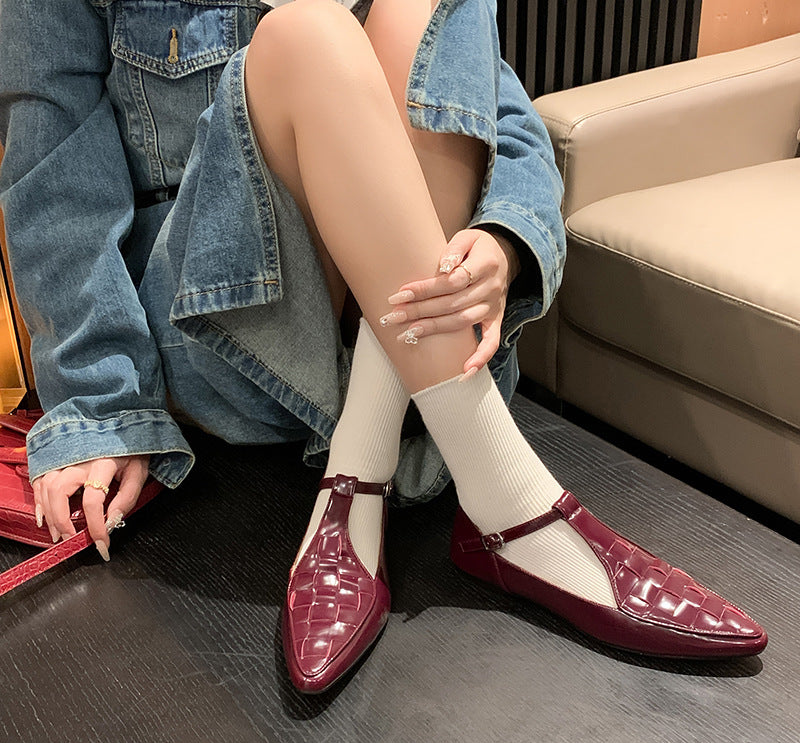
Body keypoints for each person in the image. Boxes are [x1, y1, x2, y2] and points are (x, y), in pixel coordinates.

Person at [0, 0, 766, 694]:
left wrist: (504, 236)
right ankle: (513, 506)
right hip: (216, 329)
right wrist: (102, 403)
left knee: (418, 10)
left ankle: (356, 478)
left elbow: (495, 108)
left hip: (387, 335)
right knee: (308, 31)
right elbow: (52, 172)